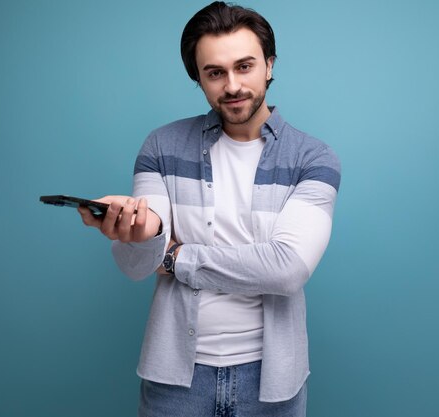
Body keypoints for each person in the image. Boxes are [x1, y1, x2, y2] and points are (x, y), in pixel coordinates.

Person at [78, 2, 341, 416]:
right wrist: (137, 234)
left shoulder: (312, 159)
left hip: (270, 383)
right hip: (175, 383)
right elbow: (137, 265)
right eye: (215, 73)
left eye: (245, 66)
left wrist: (177, 256)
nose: (232, 85)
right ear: (198, 79)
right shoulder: (161, 147)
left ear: (269, 66)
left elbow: (287, 268)